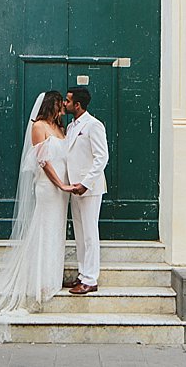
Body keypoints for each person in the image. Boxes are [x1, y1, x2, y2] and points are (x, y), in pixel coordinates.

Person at [0, 91, 75, 343]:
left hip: (63, 190)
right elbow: (43, 162)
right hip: (48, 187)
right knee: (43, 229)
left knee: (55, 232)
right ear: (50, 105)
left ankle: (51, 280)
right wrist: (61, 185)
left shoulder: (60, 128)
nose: (62, 110)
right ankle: (39, 283)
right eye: (59, 105)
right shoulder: (39, 127)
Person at [63, 86, 109, 294]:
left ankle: (91, 279)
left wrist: (86, 183)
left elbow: (102, 157)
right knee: (80, 234)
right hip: (74, 187)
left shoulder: (93, 125)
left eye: (68, 100)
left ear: (77, 105)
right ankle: (82, 274)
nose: (65, 103)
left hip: (89, 188)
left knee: (90, 234)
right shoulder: (72, 127)